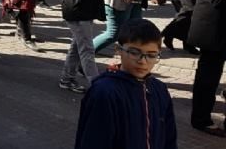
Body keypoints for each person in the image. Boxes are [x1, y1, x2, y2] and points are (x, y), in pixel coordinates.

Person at [75, 19, 176, 149]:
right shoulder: (104, 92)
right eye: (134, 53)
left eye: (151, 55)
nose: (142, 61)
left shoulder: (159, 90)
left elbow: (169, 138)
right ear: (118, 50)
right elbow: (94, 140)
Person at [188, 0, 226, 137]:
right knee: (207, 78)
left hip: (216, 29)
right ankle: (201, 119)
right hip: (213, 30)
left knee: (209, 75)